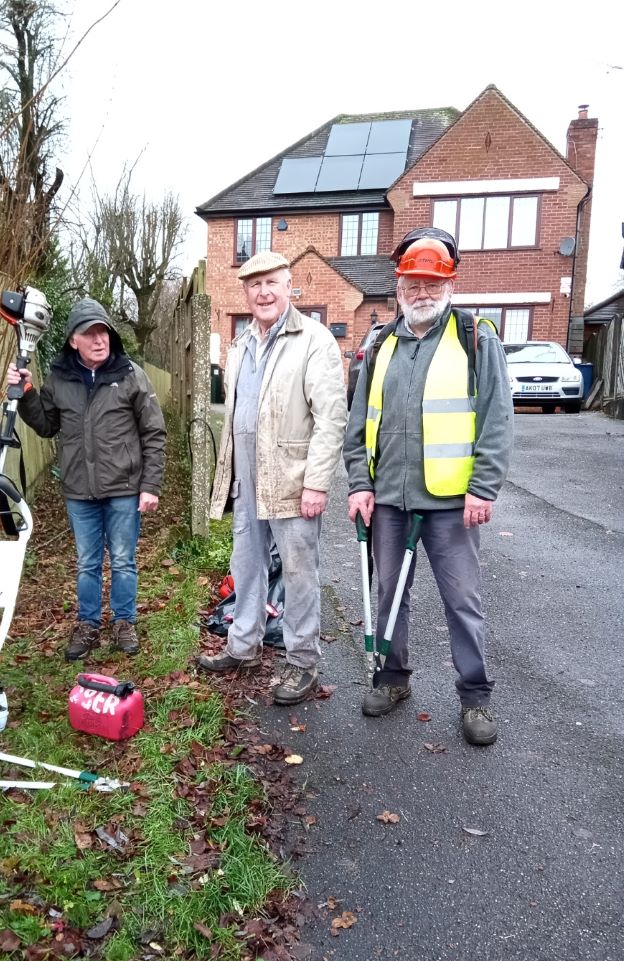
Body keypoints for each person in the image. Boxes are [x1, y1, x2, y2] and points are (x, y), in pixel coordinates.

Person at [343, 227, 513, 745]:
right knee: (390, 591)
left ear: (449, 285)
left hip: (450, 504)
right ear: (399, 288)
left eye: (431, 283)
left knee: (461, 600)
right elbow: (358, 423)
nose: (422, 292)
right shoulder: (379, 343)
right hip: (389, 499)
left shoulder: (474, 337)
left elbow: (497, 418)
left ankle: (475, 697)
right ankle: (393, 680)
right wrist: (358, 483)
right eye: (413, 283)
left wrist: (483, 487)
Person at [198, 251, 347, 705]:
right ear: (245, 291)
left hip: (292, 482)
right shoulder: (241, 344)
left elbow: (331, 418)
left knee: (300, 574)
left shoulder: (314, 340)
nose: (263, 292)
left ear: (288, 287)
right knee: (246, 566)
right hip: (248, 480)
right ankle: (243, 645)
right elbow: (236, 416)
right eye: (254, 284)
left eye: (271, 283)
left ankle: (302, 661)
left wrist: (317, 484)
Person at [7, 298, 166, 660]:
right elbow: (47, 425)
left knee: (124, 560)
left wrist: (150, 485)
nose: (99, 339)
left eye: (104, 332)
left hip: (124, 489)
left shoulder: (130, 375)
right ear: (72, 341)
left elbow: (154, 433)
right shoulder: (60, 379)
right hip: (79, 489)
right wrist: (28, 393)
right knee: (87, 563)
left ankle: (124, 622)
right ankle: (88, 624)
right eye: (89, 333)